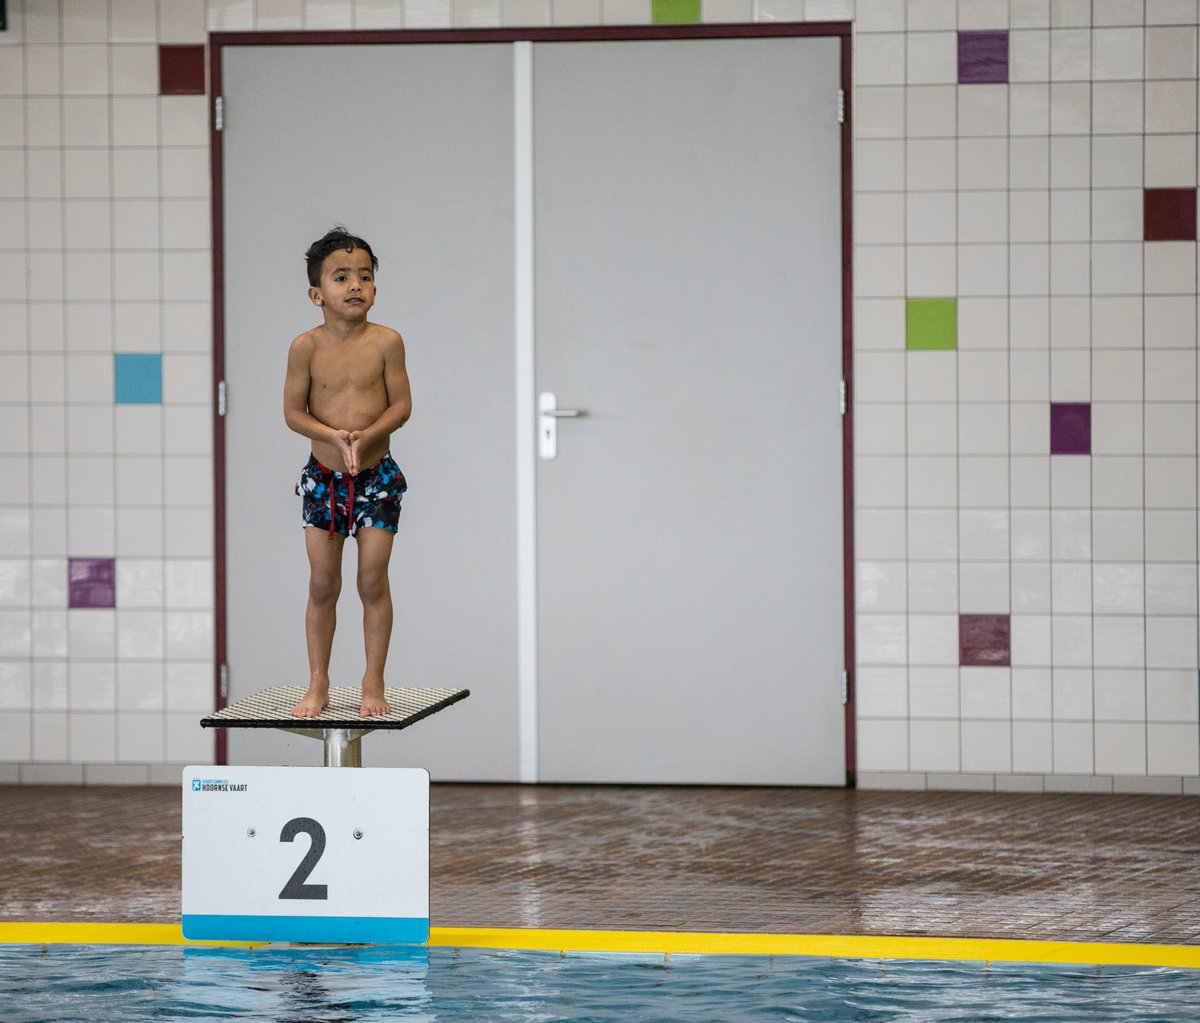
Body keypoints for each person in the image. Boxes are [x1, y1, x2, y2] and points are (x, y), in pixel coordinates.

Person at [283, 227, 411, 717]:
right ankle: (318, 683)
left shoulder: (387, 343)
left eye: (365, 276)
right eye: (342, 277)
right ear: (317, 294)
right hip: (324, 480)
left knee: (372, 582)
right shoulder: (305, 348)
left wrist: (370, 432)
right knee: (322, 584)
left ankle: (372, 683)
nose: (355, 285)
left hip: (376, 479)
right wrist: (334, 436)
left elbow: (402, 404)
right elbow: (293, 412)